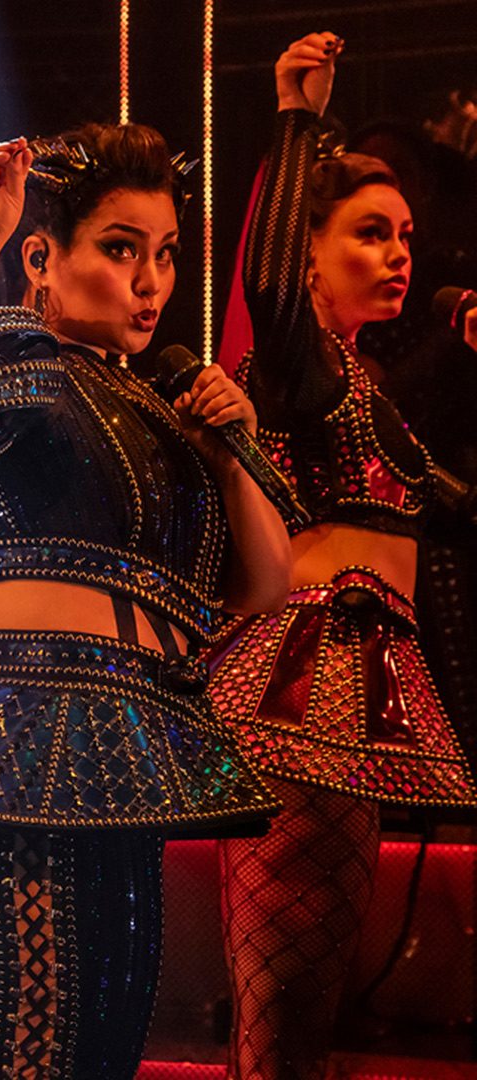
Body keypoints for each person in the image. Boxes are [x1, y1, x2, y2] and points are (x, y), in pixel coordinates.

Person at [0, 124, 290, 1078]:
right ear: (45, 256)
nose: (151, 281)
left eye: (163, 255)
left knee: (101, 1056)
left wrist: (232, 449)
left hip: (135, 750)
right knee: (36, 1057)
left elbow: (266, 587)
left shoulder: (161, 405)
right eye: (120, 249)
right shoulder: (11, 353)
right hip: (24, 742)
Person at [208, 32, 477, 1079]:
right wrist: (296, 117)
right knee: (284, 1013)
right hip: (300, 682)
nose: (401, 253)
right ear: (308, 252)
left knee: (308, 1012)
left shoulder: (367, 394)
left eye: (407, 234)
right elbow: (266, 289)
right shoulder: (298, 365)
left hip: (357, 687)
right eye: (370, 233)